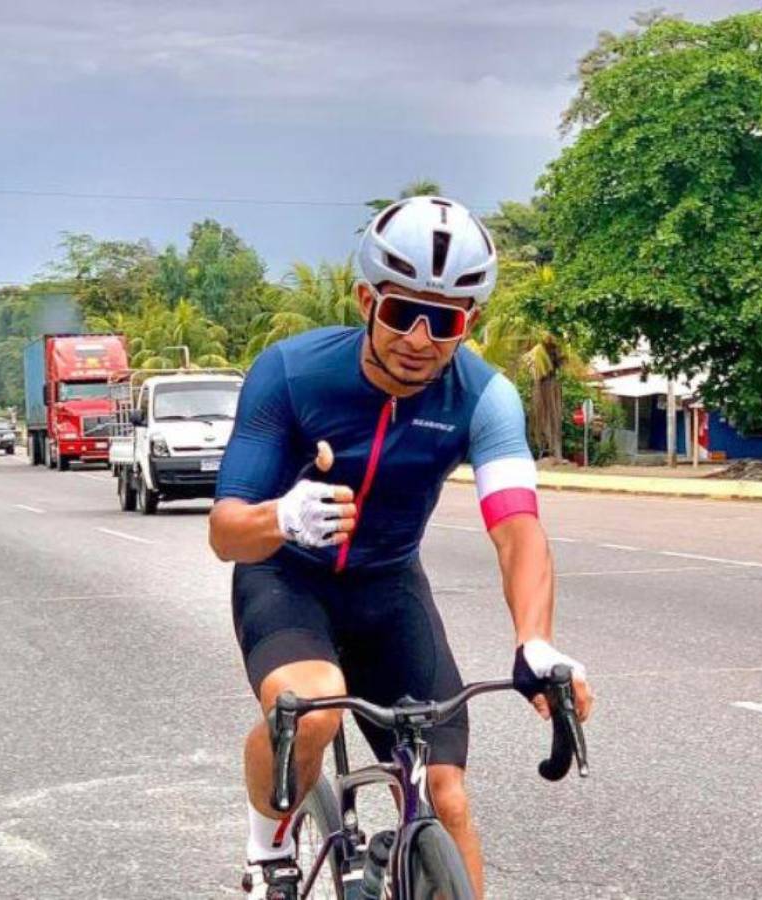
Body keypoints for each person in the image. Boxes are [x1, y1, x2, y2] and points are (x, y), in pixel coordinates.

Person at [210, 196, 593, 899]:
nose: (419, 338)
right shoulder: (291, 374)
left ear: (468, 323)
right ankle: (268, 848)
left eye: (444, 321)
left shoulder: (485, 398)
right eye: (400, 313)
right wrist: (280, 517)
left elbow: (517, 528)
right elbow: (224, 532)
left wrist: (536, 640)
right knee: (314, 705)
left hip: (389, 588)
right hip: (289, 578)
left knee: (446, 798)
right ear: (365, 299)